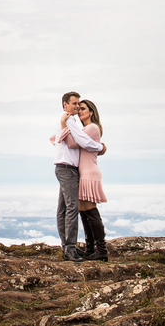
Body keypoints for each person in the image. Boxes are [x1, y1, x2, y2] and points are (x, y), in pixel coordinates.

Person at [51, 91, 105, 261]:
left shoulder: (89, 127)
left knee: (84, 210)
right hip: (72, 169)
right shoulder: (69, 120)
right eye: (76, 105)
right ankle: (78, 248)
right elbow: (72, 141)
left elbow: (76, 142)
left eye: (81, 107)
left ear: (91, 112)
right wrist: (100, 147)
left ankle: (97, 250)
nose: (78, 109)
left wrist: (100, 147)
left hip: (85, 172)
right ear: (65, 105)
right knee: (75, 209)